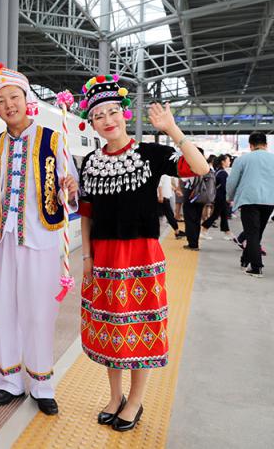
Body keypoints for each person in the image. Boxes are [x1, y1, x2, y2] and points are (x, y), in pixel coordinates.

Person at [77, 73, 209, 432]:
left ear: (124, 115)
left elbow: (200, 169)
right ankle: (114, 394)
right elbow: (86, 216)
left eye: (113, 112)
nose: (107, 120)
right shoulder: (90, 162)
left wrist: (173, 130)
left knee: (139, 330)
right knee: (110, 330)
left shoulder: (152, 154)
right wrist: (86, 258)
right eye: (99, 115)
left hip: (141, 257)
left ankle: (135, 401)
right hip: (103, 258)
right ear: (91, 123)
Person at [0, 65, 78, 416]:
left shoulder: (54, 139)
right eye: (1, 101)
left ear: (27, 100)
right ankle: (9, 381)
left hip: (42, 235)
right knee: (5, 308)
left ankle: (41, 384)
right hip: (3, 238)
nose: (9, 105)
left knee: (40, 312)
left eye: (14, 97)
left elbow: (71, 189)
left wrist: (71, 190)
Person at [226, 132, 274, 278]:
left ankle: (256, 267)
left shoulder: (243, 159)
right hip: (269, 201)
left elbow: (232, 181)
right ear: (266, 145)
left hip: (249, 199)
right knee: (256, 233)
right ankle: (244, 260)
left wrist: (230, 197)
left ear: (251, 145)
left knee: (252, 233)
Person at [180, 147, 208, 251]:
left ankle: (192, 244)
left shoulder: (192, 166)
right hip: (201, 196)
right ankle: (195, 242)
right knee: (197, 219)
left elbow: (183, 179)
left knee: (190, 219)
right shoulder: (205, 167)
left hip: (191, 195)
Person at [201, 155, 232, 240]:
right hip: (221, 197)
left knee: (224, 214)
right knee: (215, 214)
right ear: (223, 162)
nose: (229, 162)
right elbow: (224, 187)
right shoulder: (223, 173)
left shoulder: (218, 171)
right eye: (228, 160)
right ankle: (204, 229)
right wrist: (229, 198)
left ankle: (227, 232)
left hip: (218, 196)